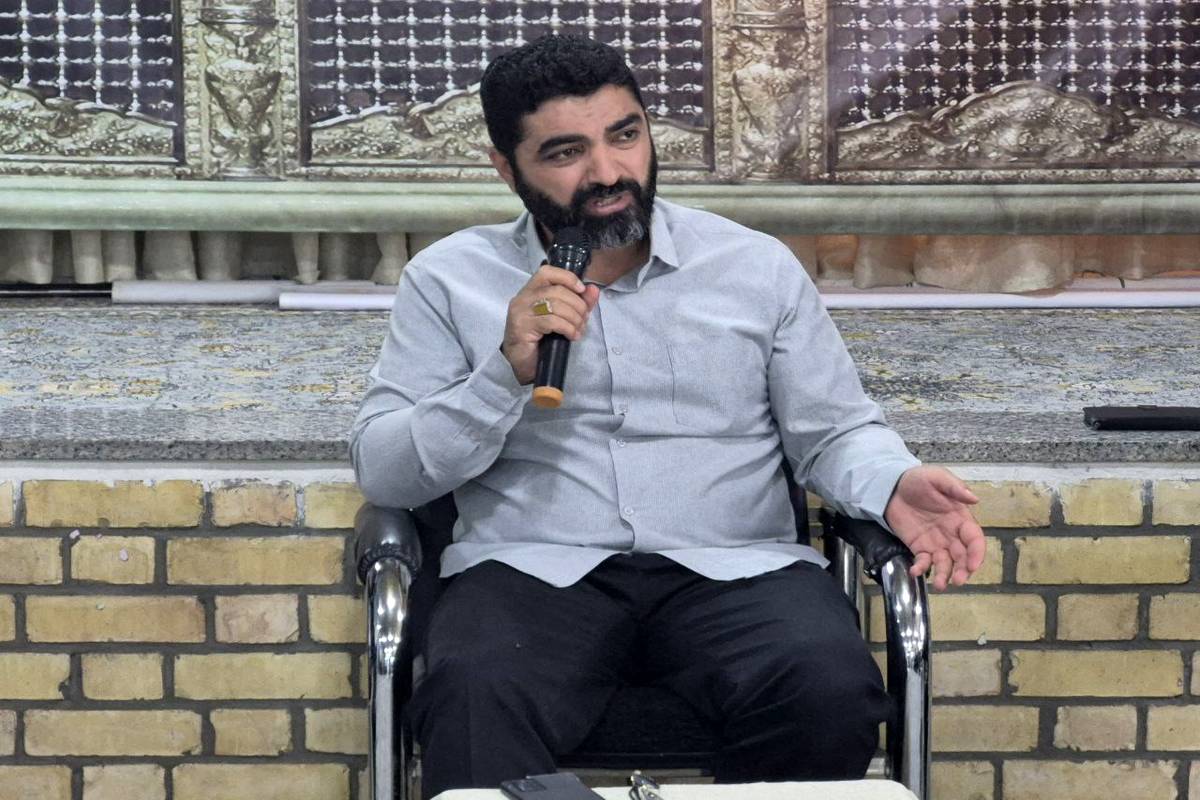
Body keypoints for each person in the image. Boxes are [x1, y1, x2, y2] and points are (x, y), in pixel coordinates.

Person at [350, 34, 985, 796]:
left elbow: (835, 431)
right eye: (565, 153)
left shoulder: (752, 267)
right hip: (532, 570)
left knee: (827, 685)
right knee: (473, 691)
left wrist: (892, 484)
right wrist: (500, 375)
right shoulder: (448, 280)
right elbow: (385, 471)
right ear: (506, 168)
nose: (607, 172)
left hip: (736, 568)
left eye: (625, 135)